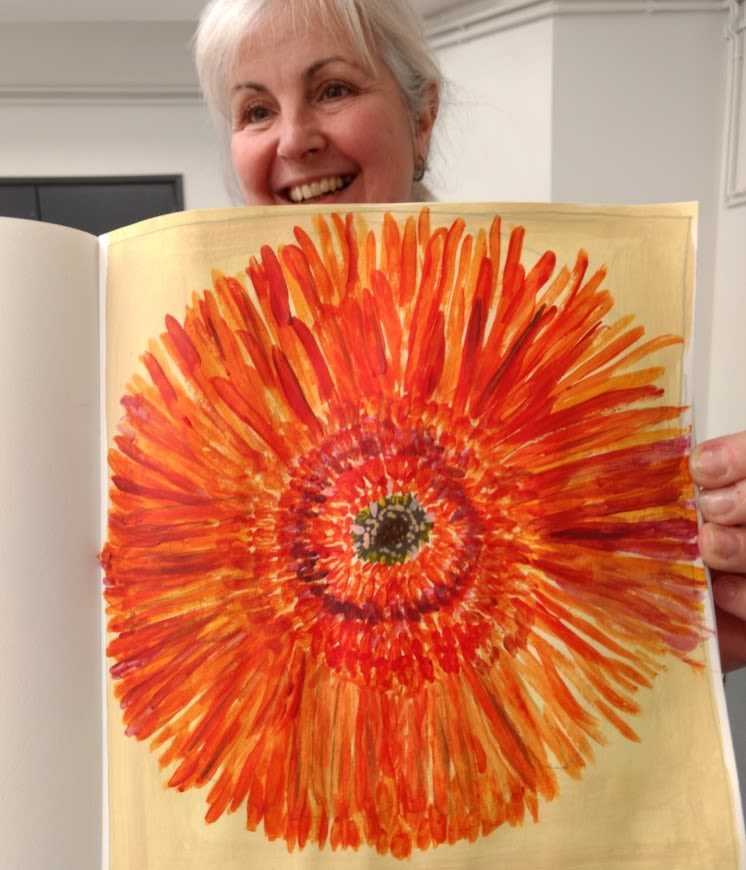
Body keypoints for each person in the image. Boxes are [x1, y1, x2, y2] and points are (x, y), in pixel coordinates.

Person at [194, 0, 746, 671]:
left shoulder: (541, 336)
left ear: (421, 117)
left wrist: (699, 618)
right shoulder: (199, 375)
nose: (292, 139)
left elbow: (609, 621)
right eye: (256, 110)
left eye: (332, 89)